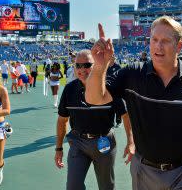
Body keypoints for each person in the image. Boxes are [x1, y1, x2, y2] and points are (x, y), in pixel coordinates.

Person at [85, 16, 182, 190]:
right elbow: (94, 99)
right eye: (154, 40)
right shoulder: (133, 74)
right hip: (145, 170)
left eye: (165, 41)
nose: (158, 46)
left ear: (179, 46)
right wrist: (100, 66)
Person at [54, 50, 134, 190]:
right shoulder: (69, 89)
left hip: (104, 142)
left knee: (106, 186)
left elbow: (125, 115)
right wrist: (59, 148)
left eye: (87, 65)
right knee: (73, 186)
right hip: (78, 142)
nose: (82, 69)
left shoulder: (109, 88)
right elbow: (62, 120)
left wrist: (131, 142)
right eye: (78, 65)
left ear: (96, 65)